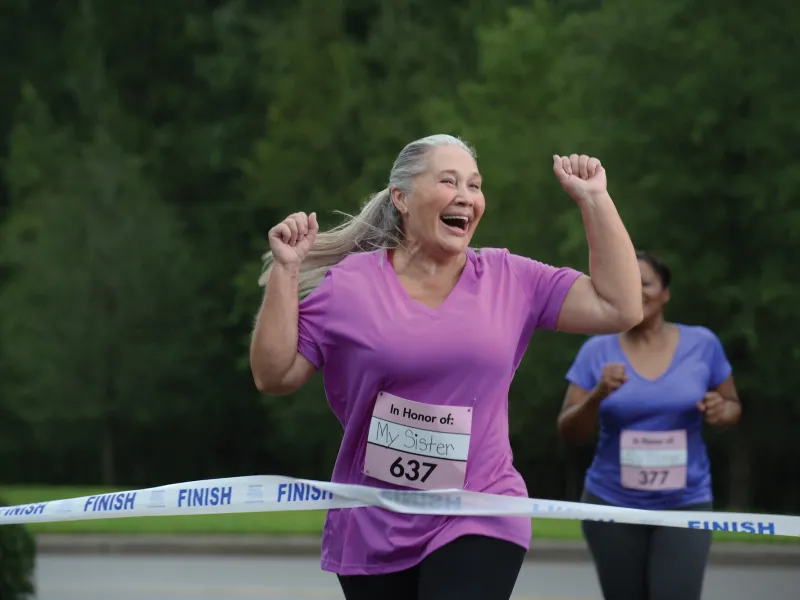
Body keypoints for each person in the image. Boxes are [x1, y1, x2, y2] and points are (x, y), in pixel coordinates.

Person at [250, 134, 643, 600]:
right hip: (374, 519)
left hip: (480, 509)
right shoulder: (349, 286)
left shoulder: (510, 278)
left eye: (475, 186)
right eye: (449, 181)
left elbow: (620, 307)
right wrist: (286, 271)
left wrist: (595, 201)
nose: (466, 196)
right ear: (401, 198)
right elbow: (274, 377)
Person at [557, 250, 742, 600]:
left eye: (645, 283)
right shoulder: (596, 350)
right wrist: (597, 395)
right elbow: (568, 432)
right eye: (628, 282)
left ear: (665, 292)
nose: (636, 290)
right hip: (611, 502)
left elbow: (733, 407)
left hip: (685, 501)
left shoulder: (702, 344)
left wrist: (722, 410)